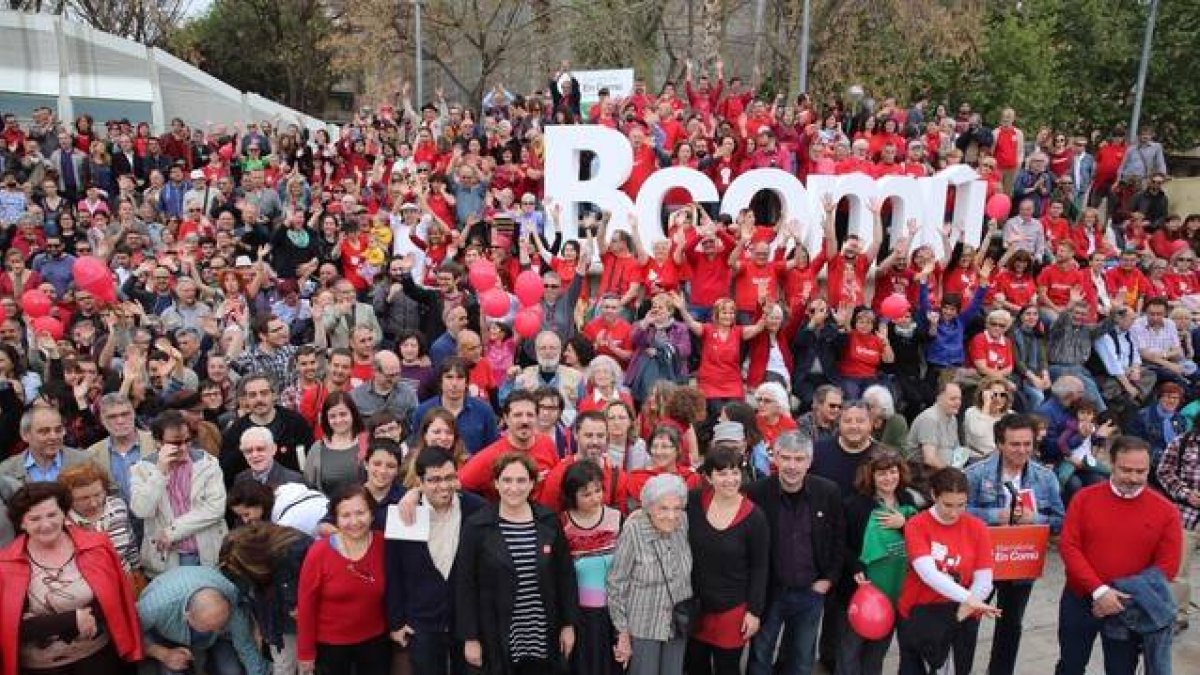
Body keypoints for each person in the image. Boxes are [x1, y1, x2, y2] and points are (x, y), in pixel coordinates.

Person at [1056, 436, 1182, 675]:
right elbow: (1069, 547)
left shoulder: (1167, 511)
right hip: (1079, 599)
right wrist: (1099, 591)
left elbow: (1168, 567)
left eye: (1140, 472)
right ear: (1111, 463)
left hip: (1129, 607)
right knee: (1070, 666)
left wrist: (1117, 599)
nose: (1133, 478)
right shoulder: (1084, 498)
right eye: (1126, 470)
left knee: (1121, 670)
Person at [0, 481, 143, 675]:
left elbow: (116, 602)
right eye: (34, 519)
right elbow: (10, 626)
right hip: (40, 668)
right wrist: (72, 620)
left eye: (52, 514)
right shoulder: (5, 564)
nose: (46, 524)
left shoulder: (97, 546)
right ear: (22, 523)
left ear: (64, 513)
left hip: (98, 659)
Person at [455, 452, 579, 674]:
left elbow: (565, 576)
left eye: (521, 480)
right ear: (496, 483)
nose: (514, 487)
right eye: (507, 480)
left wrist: (568, 624)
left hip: (543, 633)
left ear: (532, 483)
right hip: (496, 635)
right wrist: (470, 637)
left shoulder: (549, 521)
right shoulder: (477, 527)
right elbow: (465, 585)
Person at [964, 414, 1065, 675]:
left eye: (1027, 444)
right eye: (1015, 444)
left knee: (1010, 625)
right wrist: (994, 515)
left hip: (1021, 560)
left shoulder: (1045, 477)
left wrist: (1036, 519)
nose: (1022, 450)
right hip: (982, 560)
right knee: (968, 618)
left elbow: (1060, 521)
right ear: (999, 443)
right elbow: (956, 512)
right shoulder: (976, 473)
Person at [746, 431, 844, 675]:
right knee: (760, 655)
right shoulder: (757, 492)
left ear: (809, 462)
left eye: (799, 459)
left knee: (802, 659)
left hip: (810, 592)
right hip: (770, 592)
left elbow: (838, 538)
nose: (792, 466)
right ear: (775, 458)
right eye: (786, 458)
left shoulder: (827, 491)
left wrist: (828, 579)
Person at [385, 447, 485, 675]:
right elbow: (393, 571)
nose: (444, 486)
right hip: (421, 621)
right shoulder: (403, 513)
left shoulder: (476, 509)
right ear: (420, 482)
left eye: (449, 478)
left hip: (466, 621)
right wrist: (396, 622)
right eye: (434, 480)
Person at [896, 467, 1000, 675]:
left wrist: (965, 609)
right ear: (934, 495)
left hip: (961, 613)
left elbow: (984, 578)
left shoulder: (977, 527)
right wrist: (970, 599)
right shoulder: (917, 525)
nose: (954, 513)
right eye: (948, 505)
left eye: (961, 505)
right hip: (920, 613)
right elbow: (928, 574)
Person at [685, 445, 769, 675]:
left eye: (735, 472)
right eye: (722, 473)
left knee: (728, 668)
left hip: (732, 611)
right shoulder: (693, 502)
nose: (730, 480)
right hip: (696, 608)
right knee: (694, 667)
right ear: (708, 477)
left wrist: (754, 611)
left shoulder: (754, 517)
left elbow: (760, 567)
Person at [838, 451, 919, 675]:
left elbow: (922, 541)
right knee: (850, 650)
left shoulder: (908, 500)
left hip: (895, 588)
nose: (888, 478)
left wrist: (904, 525)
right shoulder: (855, 505)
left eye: (892, 472)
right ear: (870, 476)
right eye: (881, 473)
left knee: (877, 652)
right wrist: (855, 567)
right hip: (863, 590)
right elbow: (840, 544)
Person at [297, 485, 390, 675]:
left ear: (372, 514)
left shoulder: (385, 545)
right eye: (345, 515)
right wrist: (305, 653)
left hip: (375, 642)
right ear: (336, 519)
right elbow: (306, 606)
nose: (354, 521)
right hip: (331, 647)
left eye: (360, 513)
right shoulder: (319, 552)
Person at [607, 474, 692, 675]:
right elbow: (616, 583)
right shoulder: (634, 529)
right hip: (643, 626)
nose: (671, 515)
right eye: (663, 508)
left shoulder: (683, 522)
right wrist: (622, 633)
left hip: (677, 622)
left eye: (677, 508)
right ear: (649, 507)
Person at [130, 410, 227, 575]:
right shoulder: (141, 469)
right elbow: (142, 510)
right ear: (158, 442)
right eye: (175, 443)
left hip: (208, 552)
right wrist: (160, 471)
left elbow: (215, 508)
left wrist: (173, 532)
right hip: (169, 558)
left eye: (187, 440)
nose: (183, 447)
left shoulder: (208, 464)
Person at [136, 564, 269, 675]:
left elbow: (246, 646)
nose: (216, 630)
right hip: (162, 630)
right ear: (187, 616)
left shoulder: (231, 602)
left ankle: (209, 663)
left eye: (221, 625)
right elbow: (130, 636)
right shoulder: (156, 607)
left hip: (209, 635)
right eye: (208, 627)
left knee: (231, 671)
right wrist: (163, 653)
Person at [219, 522, 313, 675]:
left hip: (307, 619)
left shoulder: (295, 550)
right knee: (284, 665)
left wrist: (301, 607)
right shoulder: (233, 554)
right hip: (279, 622)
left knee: (308, 666)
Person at [559, 460, 623, 675]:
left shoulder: (617, 518)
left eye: (598, 490)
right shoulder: (562, 524)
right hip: (580, 615)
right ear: (572, 496)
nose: (595, 498)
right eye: (586, 494)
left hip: (615, 613)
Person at [1155, 422, 1200, 631]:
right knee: (1177, 570)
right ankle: (1177, 615)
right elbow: (1164, 471)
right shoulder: (1182, 442)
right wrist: (1185, 493)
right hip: (1186, 515)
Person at [58, 462, 140, 573]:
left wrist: (136, 571)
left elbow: (131, 545)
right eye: (84, 498)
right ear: (68, 498)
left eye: (97, 495)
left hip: (125, 576)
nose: (93, 504)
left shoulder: (118, 506)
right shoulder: (62, 522)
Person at [0, 406, 92, 484]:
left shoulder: (85, 462)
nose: (53, 436)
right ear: (25, 435)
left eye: (58, 430)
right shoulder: (6, 471)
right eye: (44, 431)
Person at [904, 382, 965, 472]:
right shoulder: (930, 419)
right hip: (925, 473)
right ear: (939, 398)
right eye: (953, 399)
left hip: (949, 469)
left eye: (959, 399)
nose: (958, 402)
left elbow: (957, 451)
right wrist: (953, 474)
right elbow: (930, 459)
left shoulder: (953, 419)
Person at [961, 376, 1015, 462]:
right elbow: (978, 434)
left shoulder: (1011, 415)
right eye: (994, 395)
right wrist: (986, 404)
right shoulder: (972, 412)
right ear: (984, 395)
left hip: (1005, 458)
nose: (998, 399)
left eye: (1002, 395)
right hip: (979, 459)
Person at [234, 426, 306, 487]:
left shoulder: (294, 481)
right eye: (249, 451)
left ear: (273, 449)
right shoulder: (241, 479)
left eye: (260, 449)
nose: (255, 455)